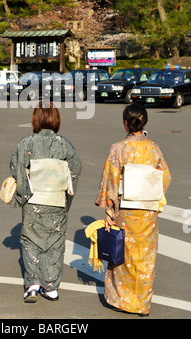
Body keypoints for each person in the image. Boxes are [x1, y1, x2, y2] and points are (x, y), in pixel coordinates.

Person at [95, 103, 171, 316]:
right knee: (145, 258)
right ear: (143, 123)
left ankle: (124, 301)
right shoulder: (153, 148)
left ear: (126, 124)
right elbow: (165, 175)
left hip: (126, 211)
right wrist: (151, 193)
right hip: (147, 211)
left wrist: (109, 212)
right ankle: (142, 305)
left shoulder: (118, 148)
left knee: (124, 255)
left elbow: (110, 182)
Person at [10, 101, 82, 303]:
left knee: (30, 239)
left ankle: (32, 284)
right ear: (55, 120)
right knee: (55, 241)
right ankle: (50, 287)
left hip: (33, 199)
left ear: (35, 120)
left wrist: (23, 194)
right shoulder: (64, 144)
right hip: (57, 198)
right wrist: (67, 196)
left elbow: (16, 167)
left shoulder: (26, 143)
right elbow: (76, 168)